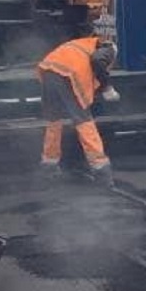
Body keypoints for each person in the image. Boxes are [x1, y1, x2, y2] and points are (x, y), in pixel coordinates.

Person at [37, 34, 119, 186]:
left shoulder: (82, 44)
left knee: (54, 121)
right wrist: (107, 87)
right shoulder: (110, 48)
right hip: (68, 74)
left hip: (48, 70)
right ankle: (101, 170)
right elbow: (98, 61)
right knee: (84, 121)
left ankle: (49, 165)